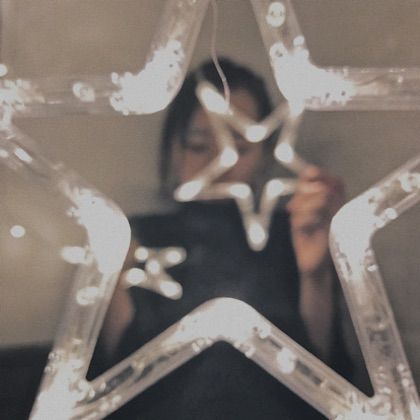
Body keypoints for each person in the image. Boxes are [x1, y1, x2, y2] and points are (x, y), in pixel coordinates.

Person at [93, 58, 351, 419]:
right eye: (199, 144)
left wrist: (316, 273)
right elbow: (111, 377)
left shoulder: (296, 233)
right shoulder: (133, 239)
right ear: (173, 148)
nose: (221, 161)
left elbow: (324, 373)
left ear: (265, 154)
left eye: (240, 146)